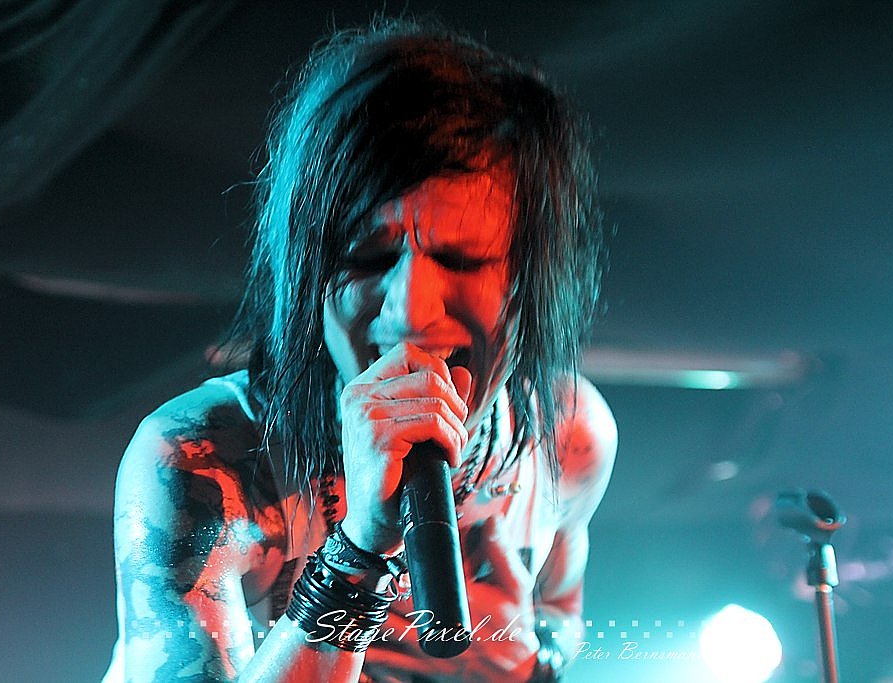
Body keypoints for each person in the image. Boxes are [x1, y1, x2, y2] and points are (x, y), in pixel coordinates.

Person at [104, 18, 616, 683]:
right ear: (309, 272)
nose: (410, 312)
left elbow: (559, 613)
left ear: (530, 277)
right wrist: (357, 556)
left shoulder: (569, 436)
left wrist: (535, 660)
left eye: (461, 260)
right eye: (367, 258)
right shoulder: (204, 465)